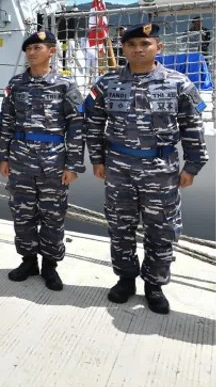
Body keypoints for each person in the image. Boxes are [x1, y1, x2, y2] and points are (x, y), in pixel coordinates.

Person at [85, 23, 208, 314]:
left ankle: (155, 284)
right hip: (118, 168)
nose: (138, 49)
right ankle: (125, 279)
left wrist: (192, 165)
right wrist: (98, 160)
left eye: (144, 43)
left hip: (161, 169)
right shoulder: (106, 83)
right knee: (120, 226)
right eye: (131, 45)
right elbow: (93, 123)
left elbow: (192, 126)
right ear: (123, 49)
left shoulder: (179, 83)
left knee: (161, 229)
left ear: (158, 47)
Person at [0, 31, 84, 291]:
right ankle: (28, 260)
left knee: (52, 216)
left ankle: (50, 265)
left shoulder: (65, 86)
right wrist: (4, 156)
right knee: (22, 214)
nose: (32, 52)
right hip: (21, 161)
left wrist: (72, 164)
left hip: (53, 162)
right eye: (29, 49)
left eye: (38, 47)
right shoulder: (15, 84)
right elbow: (7, 122)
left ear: (52, 51)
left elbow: (76, 126)